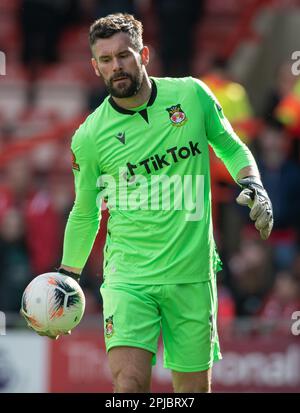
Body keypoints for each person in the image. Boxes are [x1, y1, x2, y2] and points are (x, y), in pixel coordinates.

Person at [26, 13, 273, 393]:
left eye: (123, 55)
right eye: (105, 60)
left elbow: (230, 145)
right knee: (129, 384)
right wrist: (67, 278)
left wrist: (253, 183)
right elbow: (86, 209)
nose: (116, 67)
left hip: (191, 274)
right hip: (129, 278)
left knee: (191, 392)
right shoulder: (89, 137)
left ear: (143, 53)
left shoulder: (191, 95)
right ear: (95, 67)